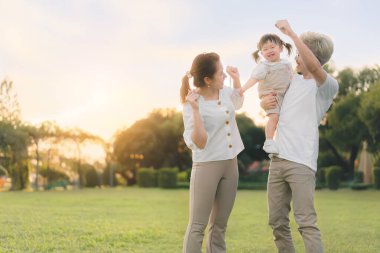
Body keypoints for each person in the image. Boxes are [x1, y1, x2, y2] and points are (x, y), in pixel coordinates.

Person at [260, 20, 339, 253]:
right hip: (278, 160)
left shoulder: (326, 86)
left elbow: (314, 67)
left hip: (301, 163)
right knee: (277, 222)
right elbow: (274, 105)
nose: (295, 57)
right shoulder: (290, 80)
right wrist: (265, 102)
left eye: (299, 52)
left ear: (312, 55)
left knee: (305, 222)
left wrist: (292, 34)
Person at [180, 52, 244, 253]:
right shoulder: (191, 104)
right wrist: (196, 110)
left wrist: (236, 80)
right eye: (220, 73)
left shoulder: (223, 91)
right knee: (197, 226)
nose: (223, 76)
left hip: (230, 164)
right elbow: (199, 142)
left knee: (219, 226)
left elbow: (238, 104)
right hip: (207, 166)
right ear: (207, 80)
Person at [240, 34, 293, 154]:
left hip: (285, 96)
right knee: (274, 117)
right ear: (261, 53)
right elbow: (253, 79)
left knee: (284, 120)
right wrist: (243, 89)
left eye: (272, 47)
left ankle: (283, 143)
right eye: (265, 49)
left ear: (281, 48)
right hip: (271, 95)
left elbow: (292, 78)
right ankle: (269, 141)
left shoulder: (287, 64)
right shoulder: (263, 66)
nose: (269, 51)